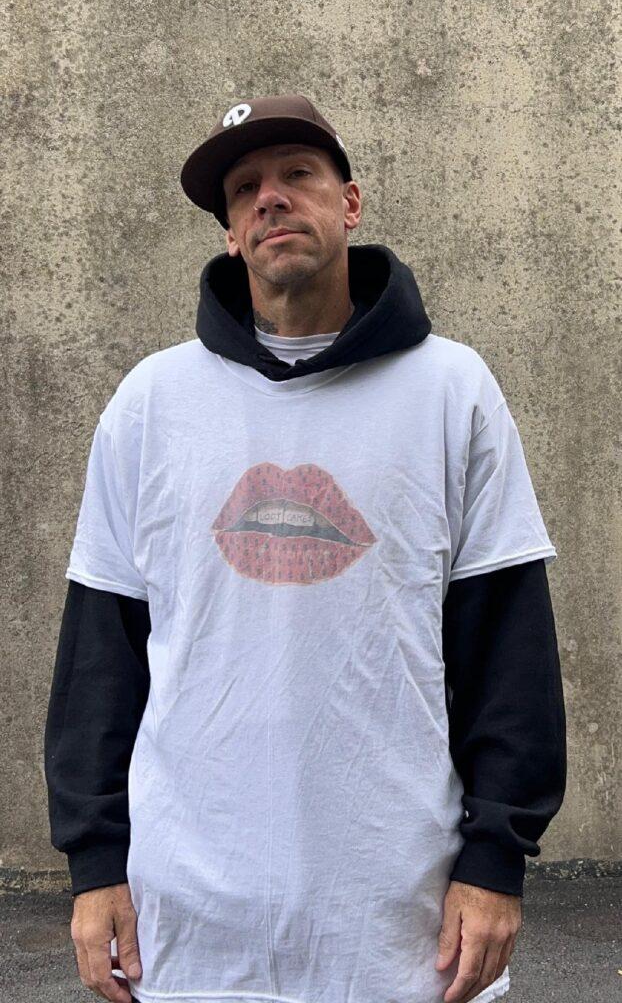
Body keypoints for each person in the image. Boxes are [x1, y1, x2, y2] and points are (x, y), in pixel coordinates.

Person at [44, 94, 567, 1003]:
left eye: (297, 174)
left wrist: (495, 862)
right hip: (189, 926)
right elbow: (101, 656)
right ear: (231, 233)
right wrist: (96, 866)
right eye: (245, 188)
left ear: (350, 203)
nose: (270, 198)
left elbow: (508, 649)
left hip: (399, 924)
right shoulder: (151, 404)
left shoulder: (453, 391)